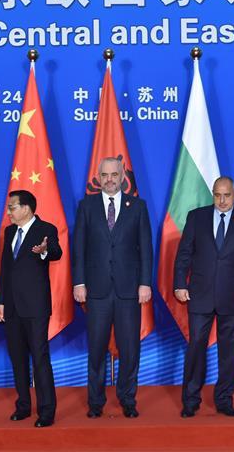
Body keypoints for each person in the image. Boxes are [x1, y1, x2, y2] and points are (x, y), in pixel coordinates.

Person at [174, 176, 234, 418]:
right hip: (199, 295)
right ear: (212, 194)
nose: (222, 200)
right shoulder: (197, 217)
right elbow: (184, 254)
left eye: (226, 195)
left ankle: (224, 399)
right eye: (217, 195)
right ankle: (190, 400)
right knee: (195, 349)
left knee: (230, 351)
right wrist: (179, 284)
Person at [73, 157, 152, 418]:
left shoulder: (138, 207)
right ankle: (95, 402)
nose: (109, 179)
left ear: (122, 177)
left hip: (129, 290)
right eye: (104, 175)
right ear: (98, 177)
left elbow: (146, 249)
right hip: (96, 290)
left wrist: (145, 283)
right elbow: (79, 248)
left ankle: (128, 399)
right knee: (96, 348)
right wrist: (79, 282)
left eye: (114, 175)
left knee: (130, 349)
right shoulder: (86, 206)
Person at [0, 190, 62, 428]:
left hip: (35, 307)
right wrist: (2, 301)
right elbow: (5, 269)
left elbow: (56, 252)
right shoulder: (9, 231)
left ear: (26, 208)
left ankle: (47, 411)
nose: (9, 212)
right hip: (12, 307)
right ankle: (23, 405)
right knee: (17, 359)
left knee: (40, 358)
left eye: (12, 207)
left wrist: (44, 250)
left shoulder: (46, 229)